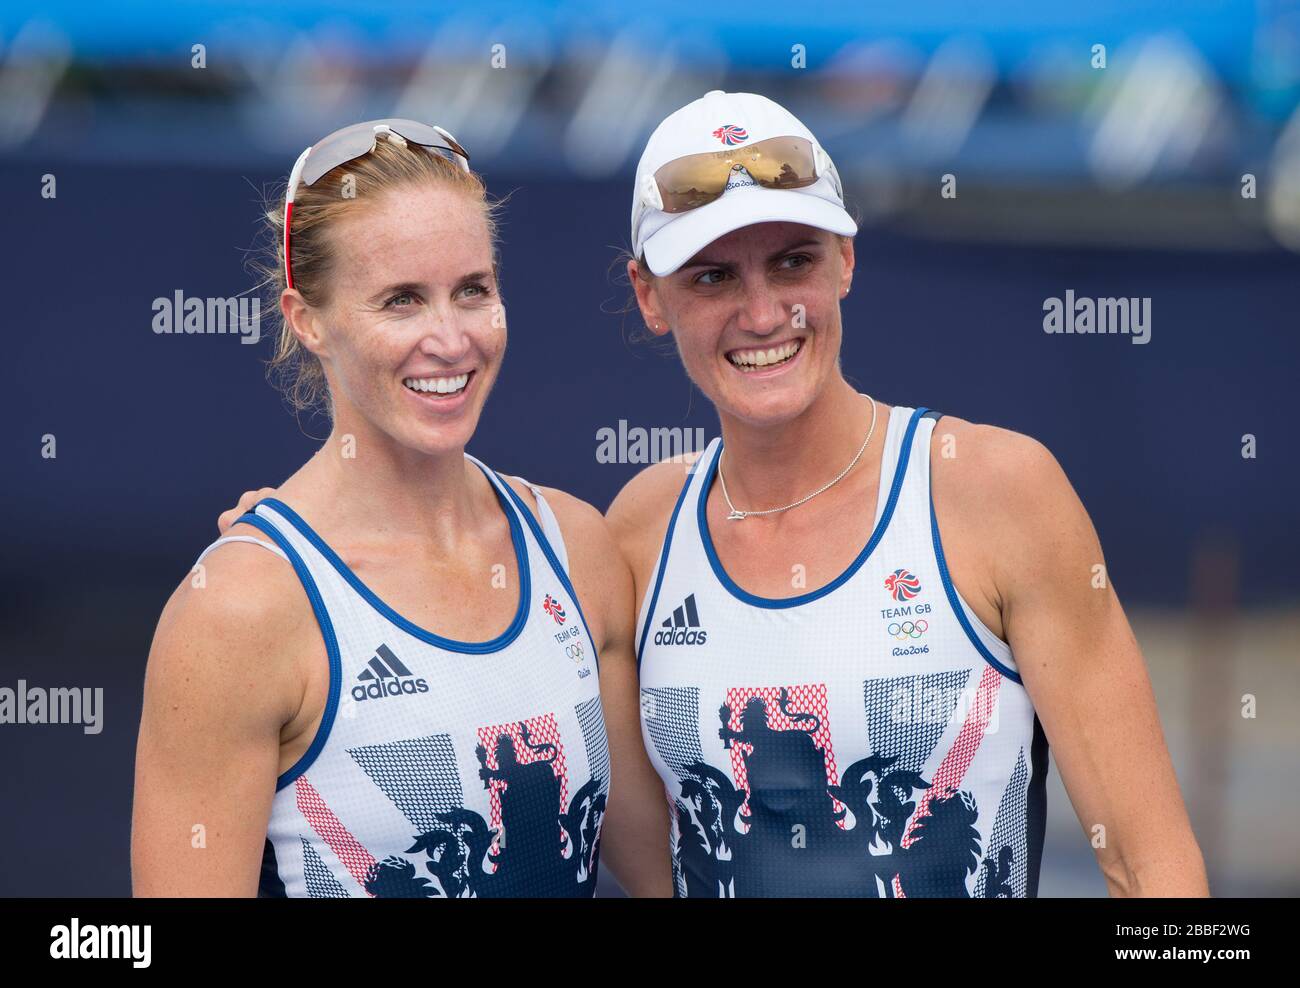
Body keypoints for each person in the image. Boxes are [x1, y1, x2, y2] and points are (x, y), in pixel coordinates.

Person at [606, 90, 1209, 897]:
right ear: (650, 297)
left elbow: (1152, 869)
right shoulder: (639, 533)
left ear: (847, 260)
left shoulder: (997, 491)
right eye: (714, 277)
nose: (762, 312)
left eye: (794, 261)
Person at [131, 120, 671, 897]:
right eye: (401, 301)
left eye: (472, 291)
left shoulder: (574, 548)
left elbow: (671, 874)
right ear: (306, 319)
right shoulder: (240, 612)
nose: (449, 340)